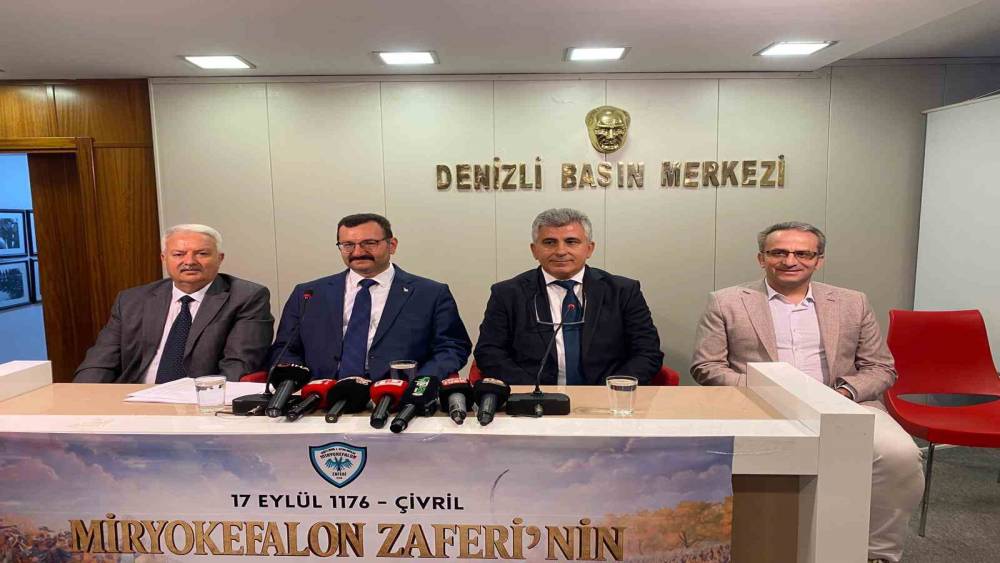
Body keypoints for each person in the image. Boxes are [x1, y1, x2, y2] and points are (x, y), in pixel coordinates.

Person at [690, 221, 923, 563]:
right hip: (758, 406)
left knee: (900, 456)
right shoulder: (727, 302)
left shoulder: (853, 302)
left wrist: (844, 394)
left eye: (803, 253)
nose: (790, 261)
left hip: (844, 404)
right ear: (761, 258)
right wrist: (767, 393)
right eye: (779, 252)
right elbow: (707, 366)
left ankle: (877, 553)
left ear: (819, 260)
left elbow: (881, 367)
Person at [269, 213, 471, 380]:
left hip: (399, 396)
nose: (358, 252)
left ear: (392, 245)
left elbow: (453, 347)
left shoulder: (430, 293)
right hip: (320, 397)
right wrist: (297, 381)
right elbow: (284, 350)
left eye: (369, 243)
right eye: (348, 245)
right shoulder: (309, 294)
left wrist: (421, 382)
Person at [475, 208, 663, 385]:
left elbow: (647, 352)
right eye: (549, 242)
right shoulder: (507, 294)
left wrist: (611, 389)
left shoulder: (623, 291)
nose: (561, 251)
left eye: (571, 242)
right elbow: (489, 352)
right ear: (534, 250)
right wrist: (534, 392)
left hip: (607, 397)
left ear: (589, 248)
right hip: (534, 398)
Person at [75, 224, 274, 383]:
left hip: (201, 402)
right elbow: (100, 361)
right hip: (133, 398)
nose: (189, 261)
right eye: (178, 254)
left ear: (220, 258)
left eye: (202, 253)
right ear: (164, 258)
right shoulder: (132, 300)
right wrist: (82, 400)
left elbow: (238, 365)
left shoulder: (246, 297)